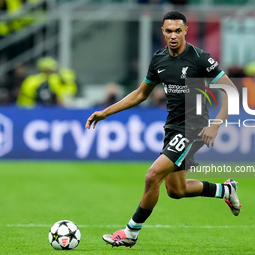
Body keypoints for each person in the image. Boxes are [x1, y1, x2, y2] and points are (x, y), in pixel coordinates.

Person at [85, 10, 241, 248]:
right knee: (176, 190)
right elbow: (140, 94)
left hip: (193, 127)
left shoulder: (200, 58)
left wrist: (216, 124)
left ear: (186, 31)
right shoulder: (159, 60)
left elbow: (231, 91)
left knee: (152, 176)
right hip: (173, 127)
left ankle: (130, 233)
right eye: (168, 31)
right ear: (162, 32)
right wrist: (106, 111)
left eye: (178, 30)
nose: (173, 35)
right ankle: (225, 190)